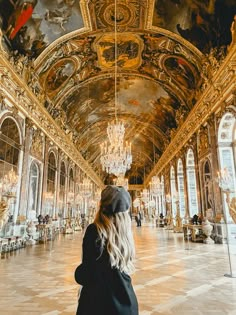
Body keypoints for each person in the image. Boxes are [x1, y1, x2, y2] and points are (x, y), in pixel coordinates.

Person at [74, 185, 139, 315]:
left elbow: (87, 272)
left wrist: (78, 273)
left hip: (97, 304)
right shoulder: (126, 236)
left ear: (101, 206)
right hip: (127, 304)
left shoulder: (94, 231)